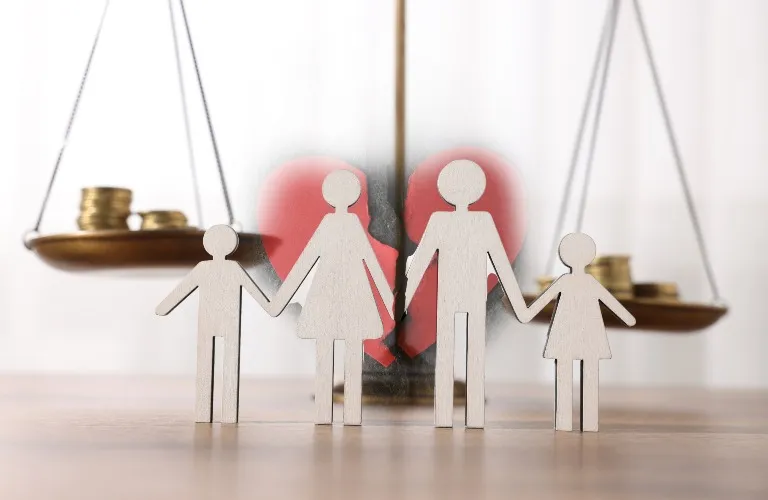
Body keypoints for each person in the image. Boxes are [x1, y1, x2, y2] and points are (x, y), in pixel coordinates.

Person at [404, 159, 531, 428]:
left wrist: (405, 301)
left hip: (462, 293)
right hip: (460, 293)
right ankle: (461, 416)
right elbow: (499, 263)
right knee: (464, 352)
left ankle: (455, 416)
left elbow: (421, 261)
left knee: (456, 353)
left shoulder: (451, 221)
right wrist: (520, 306)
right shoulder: (471, 221)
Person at [267, 169, 395, 426]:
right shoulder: (340, 225)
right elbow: (311, 260)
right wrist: (388, 296)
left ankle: (338, 413)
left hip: (342, 291)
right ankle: (337, 413)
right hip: (338, 292)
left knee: (336, 350)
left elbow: (310, 261)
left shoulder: (340, 226)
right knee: (341, 349)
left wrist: (282, 297)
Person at [156, 224, 271, 424]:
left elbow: (179, 292)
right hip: (227, 322)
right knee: (228, 366)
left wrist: (164, 307)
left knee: (208, 366)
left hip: (214, 322)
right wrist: (273, 308)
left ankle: (207, 412)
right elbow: (258, 295)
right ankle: (225, 413)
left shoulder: (206, 268)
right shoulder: (231, 268)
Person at [525, 232, 636, 431]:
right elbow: (614, 305)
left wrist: (525, 312)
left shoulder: (565, 282)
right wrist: (628, 318)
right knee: (586, 376)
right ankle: (586, 422)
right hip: (586, 335)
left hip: (567, 334)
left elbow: (538, 304)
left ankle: (565, 422)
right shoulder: (589, 282)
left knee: (567, 375)